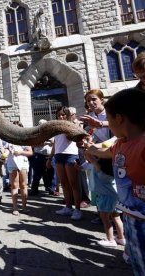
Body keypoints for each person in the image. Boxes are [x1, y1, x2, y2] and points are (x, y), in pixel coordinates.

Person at [86, 88, 145, 276]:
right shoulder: (120, 143)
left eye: (109, 120)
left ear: (119, 119)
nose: (108, 125)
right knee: (137, 263)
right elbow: (105, 152)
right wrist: (90, 148)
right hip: (130, 216)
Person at [80, 89, 114, 221]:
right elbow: (87, 135)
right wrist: (85, 141)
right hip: (98, 156)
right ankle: (103, 215)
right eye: (88, 100)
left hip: (114, 152)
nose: (91, 103)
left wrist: (101, 124)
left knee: (113, 186)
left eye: (94, 99)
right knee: (99, 187)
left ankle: (117, 217)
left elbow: (120, 126)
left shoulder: (111, 112)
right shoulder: (89, 117)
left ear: (102, 99)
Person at [84, 144, 125, 248]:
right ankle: (121, 238)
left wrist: (90, 147)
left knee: (105, 219)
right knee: (116, 217)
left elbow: (87, 155)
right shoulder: (114, 168)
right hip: (115, 196)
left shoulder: (99, 167)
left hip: (105, 197)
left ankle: (110, 239)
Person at [48, 106, 83, 221]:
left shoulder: (73, 125)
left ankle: (77, 209)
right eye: (59, 115)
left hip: (70, 155)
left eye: (63, 115)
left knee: (74, 184)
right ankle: (68, 207)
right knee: (64, 183)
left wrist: (69, 124)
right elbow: (55, 144)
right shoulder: (55, 128)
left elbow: (73, 138)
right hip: (58, 156)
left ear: (67, 115)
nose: (61, 117)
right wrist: (50, 158)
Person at [4, 121, 33, 215]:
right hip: (12, 164)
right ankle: (15, 208)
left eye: (17, 128)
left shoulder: (25, 139)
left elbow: (31, 153)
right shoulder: (8, 140)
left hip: (23, 164)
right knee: (14, 185)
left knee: (24, 185)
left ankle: (24, 207)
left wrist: (20, 152)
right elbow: (6, 150)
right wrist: (4, 153)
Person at [29, 119, 54, 196]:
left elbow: (54, 142)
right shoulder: (36, 134)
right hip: (39, 155)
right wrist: (44, 143)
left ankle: (50, 188)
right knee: (37, 173)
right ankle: (34, 190)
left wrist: (50, 142)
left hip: (48, 156)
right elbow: (32, 145)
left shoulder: (51, 133)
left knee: (49, 174)